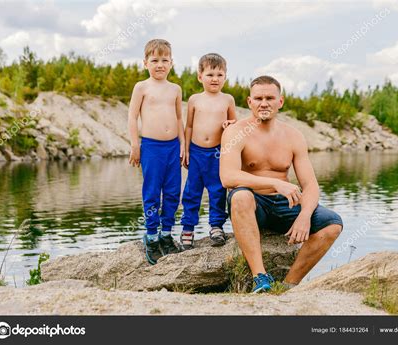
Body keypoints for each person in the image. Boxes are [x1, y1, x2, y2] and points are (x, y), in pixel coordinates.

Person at [220, 75, 343, 293]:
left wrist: (304, 216)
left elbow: (311, 185)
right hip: (253, 205)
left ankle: (288, 284)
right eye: (258, 98)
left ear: (280, 102)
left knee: (332, 223)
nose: (264, 103)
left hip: (285, 204)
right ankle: (260, 277)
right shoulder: (236, 131)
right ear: (249, 102)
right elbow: (228, 177)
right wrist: (275, 183)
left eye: (270, 98)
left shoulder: (293, 136)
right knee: (239, 196)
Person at [128, 39, 185, 265]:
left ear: (171, 63)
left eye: (164, 60)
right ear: (145, 63)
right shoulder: (142, 87)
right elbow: (132, 116)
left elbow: (180, 118)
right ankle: (151, 236)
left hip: (173, 147)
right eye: (155, 60)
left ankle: (166, 234)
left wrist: (183, 144)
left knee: (172, 192)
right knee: (152, 192)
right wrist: (135, 144)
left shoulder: (175, 89)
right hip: (151, 147)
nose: (160, 64)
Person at [180, 53, 237, 250]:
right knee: (191, 191)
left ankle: (216, 227)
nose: (215, 79)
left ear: (225, 77)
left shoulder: (227, 99)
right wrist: (186, 149)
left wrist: (231, 124)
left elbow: (234, 124)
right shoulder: (195, 100)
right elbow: (188, 126)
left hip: (217, 153)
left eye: (220, 75)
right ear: (200, 76)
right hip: (195, 152)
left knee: (217, 190)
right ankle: (188, 229)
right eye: (210, 74)